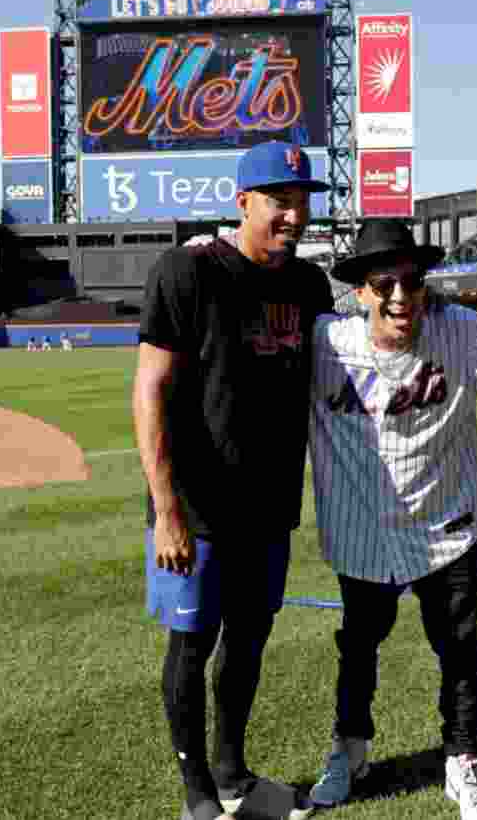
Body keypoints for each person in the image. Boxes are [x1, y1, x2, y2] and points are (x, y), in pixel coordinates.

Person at [304, 218, 477, 820]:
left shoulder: (458, 330)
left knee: (459, 651)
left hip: (447, 525)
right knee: (358, 649)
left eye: (412, 282)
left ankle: (463, 763)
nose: (400, 297)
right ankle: (349, 751)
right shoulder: (324, 344)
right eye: (385, 284)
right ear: (360, 291)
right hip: (363, 530)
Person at [134, 141, 332, 820]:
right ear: (243, 202)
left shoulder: (310, 287)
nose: (295, 216)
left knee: (248, 643)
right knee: (192, 642)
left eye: (303, 201)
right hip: (198, 506)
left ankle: (233, 775)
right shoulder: (187, 273)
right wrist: (166, 511)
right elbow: (150, 390)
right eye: (280, 201)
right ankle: (197, 798)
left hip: (270, 506)